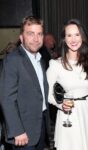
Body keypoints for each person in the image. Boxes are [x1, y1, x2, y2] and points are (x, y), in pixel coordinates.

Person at [46, 19, 88, 150]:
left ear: (82, 37)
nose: (73, 39)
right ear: (64, 39)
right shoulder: (55, 65)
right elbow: (48, 94)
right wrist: (61, 105)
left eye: (77, 35)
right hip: (69, 115)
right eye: (69, 35)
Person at [0, 16, 50, 150]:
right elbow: (6, 99)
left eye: (39, 34)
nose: (36, 39)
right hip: (23, 132)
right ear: (21, 37)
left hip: (39, 127)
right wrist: (17, 130)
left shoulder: (40, 60)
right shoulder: (13, 60)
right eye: (31, 34)